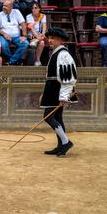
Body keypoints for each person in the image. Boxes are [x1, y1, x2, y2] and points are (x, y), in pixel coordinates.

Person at [40, 27, 77, 157]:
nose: (50, 40)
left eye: (53, 38)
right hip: (52, 89)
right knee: (57, 118)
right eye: (49, 38)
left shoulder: (63, 55)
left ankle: (66, 142)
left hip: (58, 90)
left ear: (60, 40)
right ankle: (60, 146)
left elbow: (68, 78)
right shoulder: (56, 53)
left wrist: (63, 97)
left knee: (48, 116)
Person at [0, 0, 29, 65]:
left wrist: (24, 36)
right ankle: (15, 61)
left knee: (25, 43)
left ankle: (11, 61)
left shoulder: (16, 12)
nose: (4, 7)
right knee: (3, 45)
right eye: (3, 5)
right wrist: (4, 34)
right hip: (3, 36)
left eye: (6, 6)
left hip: (16, 36)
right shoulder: (0, 14)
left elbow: (23, 23)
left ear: (11, 7)